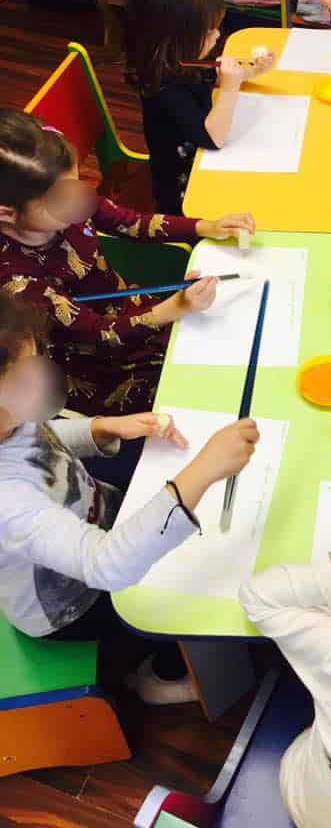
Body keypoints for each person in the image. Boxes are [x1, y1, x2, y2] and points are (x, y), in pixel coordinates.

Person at [0, 291, 260, 704]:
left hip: (98, 517)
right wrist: (205, 469)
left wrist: (104, 427)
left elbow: (39, 440)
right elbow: (106, 566)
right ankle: (156, 678)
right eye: (20, 383)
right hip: (73, 604)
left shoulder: (10, 422)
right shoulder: (7, 501)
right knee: (188, 586)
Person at [0, 109, 253, 416]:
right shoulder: (16, 282)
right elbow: (99, 334)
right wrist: (176, 307)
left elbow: (128, 221)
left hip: (130, 310)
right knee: (200, 393)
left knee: (224, 342)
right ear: (7, 213)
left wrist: (205, 226)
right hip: (97, 366)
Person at [126, 0, 276, 213]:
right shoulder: (162, 87)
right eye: (208, 32)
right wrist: (229, 89)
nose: (217, 35)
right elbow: (212, 137)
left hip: (205, 164)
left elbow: (207, 76)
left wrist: (250, 70)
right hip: (184, 192)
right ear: (176, 40)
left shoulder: (177, 59)